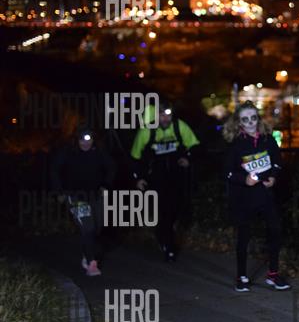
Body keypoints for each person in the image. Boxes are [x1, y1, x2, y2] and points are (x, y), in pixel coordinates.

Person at [223, 101, 291, 292]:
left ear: (258, 119)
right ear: (239, 123)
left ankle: (273, 274)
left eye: (253, 118)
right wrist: (244, 179)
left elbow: (277, 162)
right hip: (244, 197)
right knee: (244, 236)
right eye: (245, 119)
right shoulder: (236, 145)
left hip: (265, 194)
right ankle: (241, 276)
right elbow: (227, 173)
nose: (250, 122)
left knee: (275, 230)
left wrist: (273, 177)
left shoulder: (268, 139)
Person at [131, 101, 199, 262]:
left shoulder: (179, 126)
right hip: (155, 177)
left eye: (168, 115)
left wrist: (188, 158)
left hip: (177, 175)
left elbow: (195, 145)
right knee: (164, 211)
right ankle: (168, 246)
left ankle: (164, 236)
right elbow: (135, 157)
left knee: (177, 209)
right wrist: (139, 178)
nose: (165, 118)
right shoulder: (146, 131)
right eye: (161, 115)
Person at [50, 126, 116, 276]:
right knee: (88, 228)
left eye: (89, 140)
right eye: (82, 140)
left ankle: (87, 252)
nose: (85, 143)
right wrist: (59, 191)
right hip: (75, 196)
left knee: (98, 227)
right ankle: (91, 263)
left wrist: (106, 185)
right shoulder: (68, 152)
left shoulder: (99, 151)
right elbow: (55, 170)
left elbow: (112, 167)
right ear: (76, 140)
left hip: (96, 195)